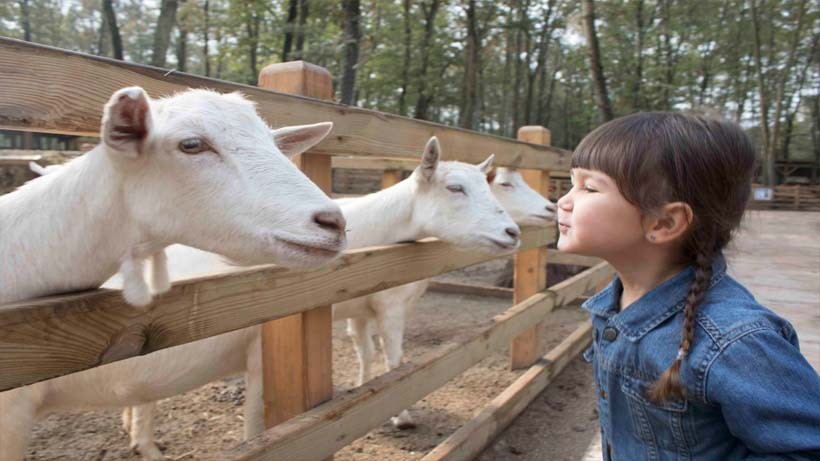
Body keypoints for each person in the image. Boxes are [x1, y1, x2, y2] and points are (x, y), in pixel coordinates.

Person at [556, 112, 820, 460]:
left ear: (665, 222)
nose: (564, 200)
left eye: (589, 188)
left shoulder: (735, 342)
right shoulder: (614, 304)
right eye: (572, 183)